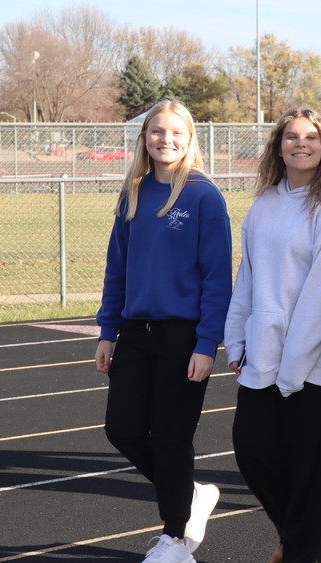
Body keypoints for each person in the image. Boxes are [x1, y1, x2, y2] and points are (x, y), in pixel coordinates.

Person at [95, 99, 232, 563]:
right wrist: (107, 330)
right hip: (135, 331)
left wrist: (206, 343)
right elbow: (118, 269)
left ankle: (176, 540)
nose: (165, 140)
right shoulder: (132, 192)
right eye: (157, 131)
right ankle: (190, 493)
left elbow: (217, 279)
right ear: (145, 137)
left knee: (173, 439)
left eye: (175, 132)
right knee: (122, 429)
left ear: (189, 138)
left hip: (183, 336)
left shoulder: (203, 195)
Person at [224, 107, 321, 563]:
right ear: (278, 146)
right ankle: (306, 534)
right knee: (252, 451)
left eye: (310, 138)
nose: (300, 144)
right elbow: (249, 277)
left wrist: (293, 370)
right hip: (263, 355)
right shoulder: (265, 203)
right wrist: (236, 337)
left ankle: (305, 545)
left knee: (307, 473)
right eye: (291, 137)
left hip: (313, 365)